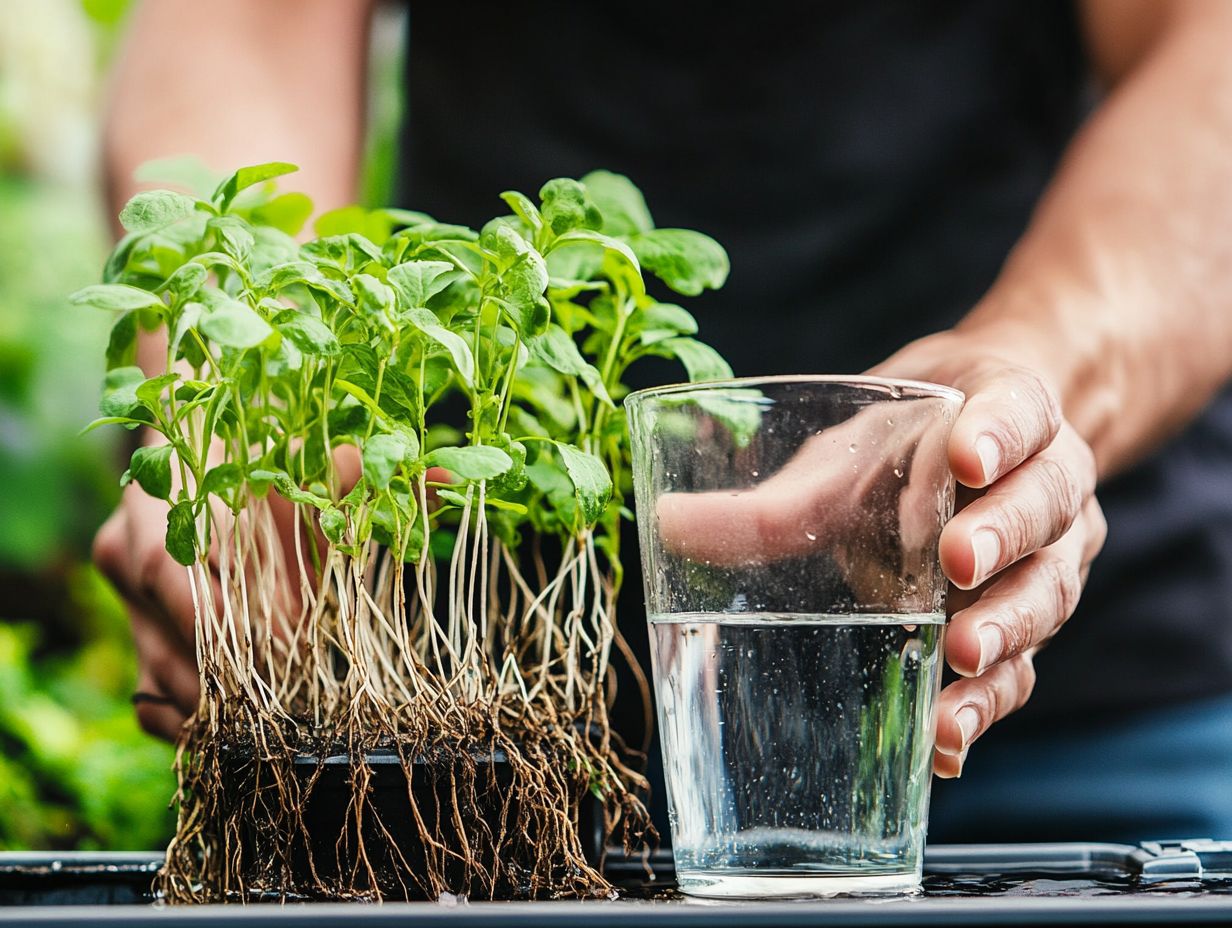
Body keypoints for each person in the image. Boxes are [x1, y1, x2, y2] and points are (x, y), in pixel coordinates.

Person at [93, 0, 1232, 843]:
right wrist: (241, 400)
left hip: (1076, 726)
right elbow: (241, 32)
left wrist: (1028, 383)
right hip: (460, 759)